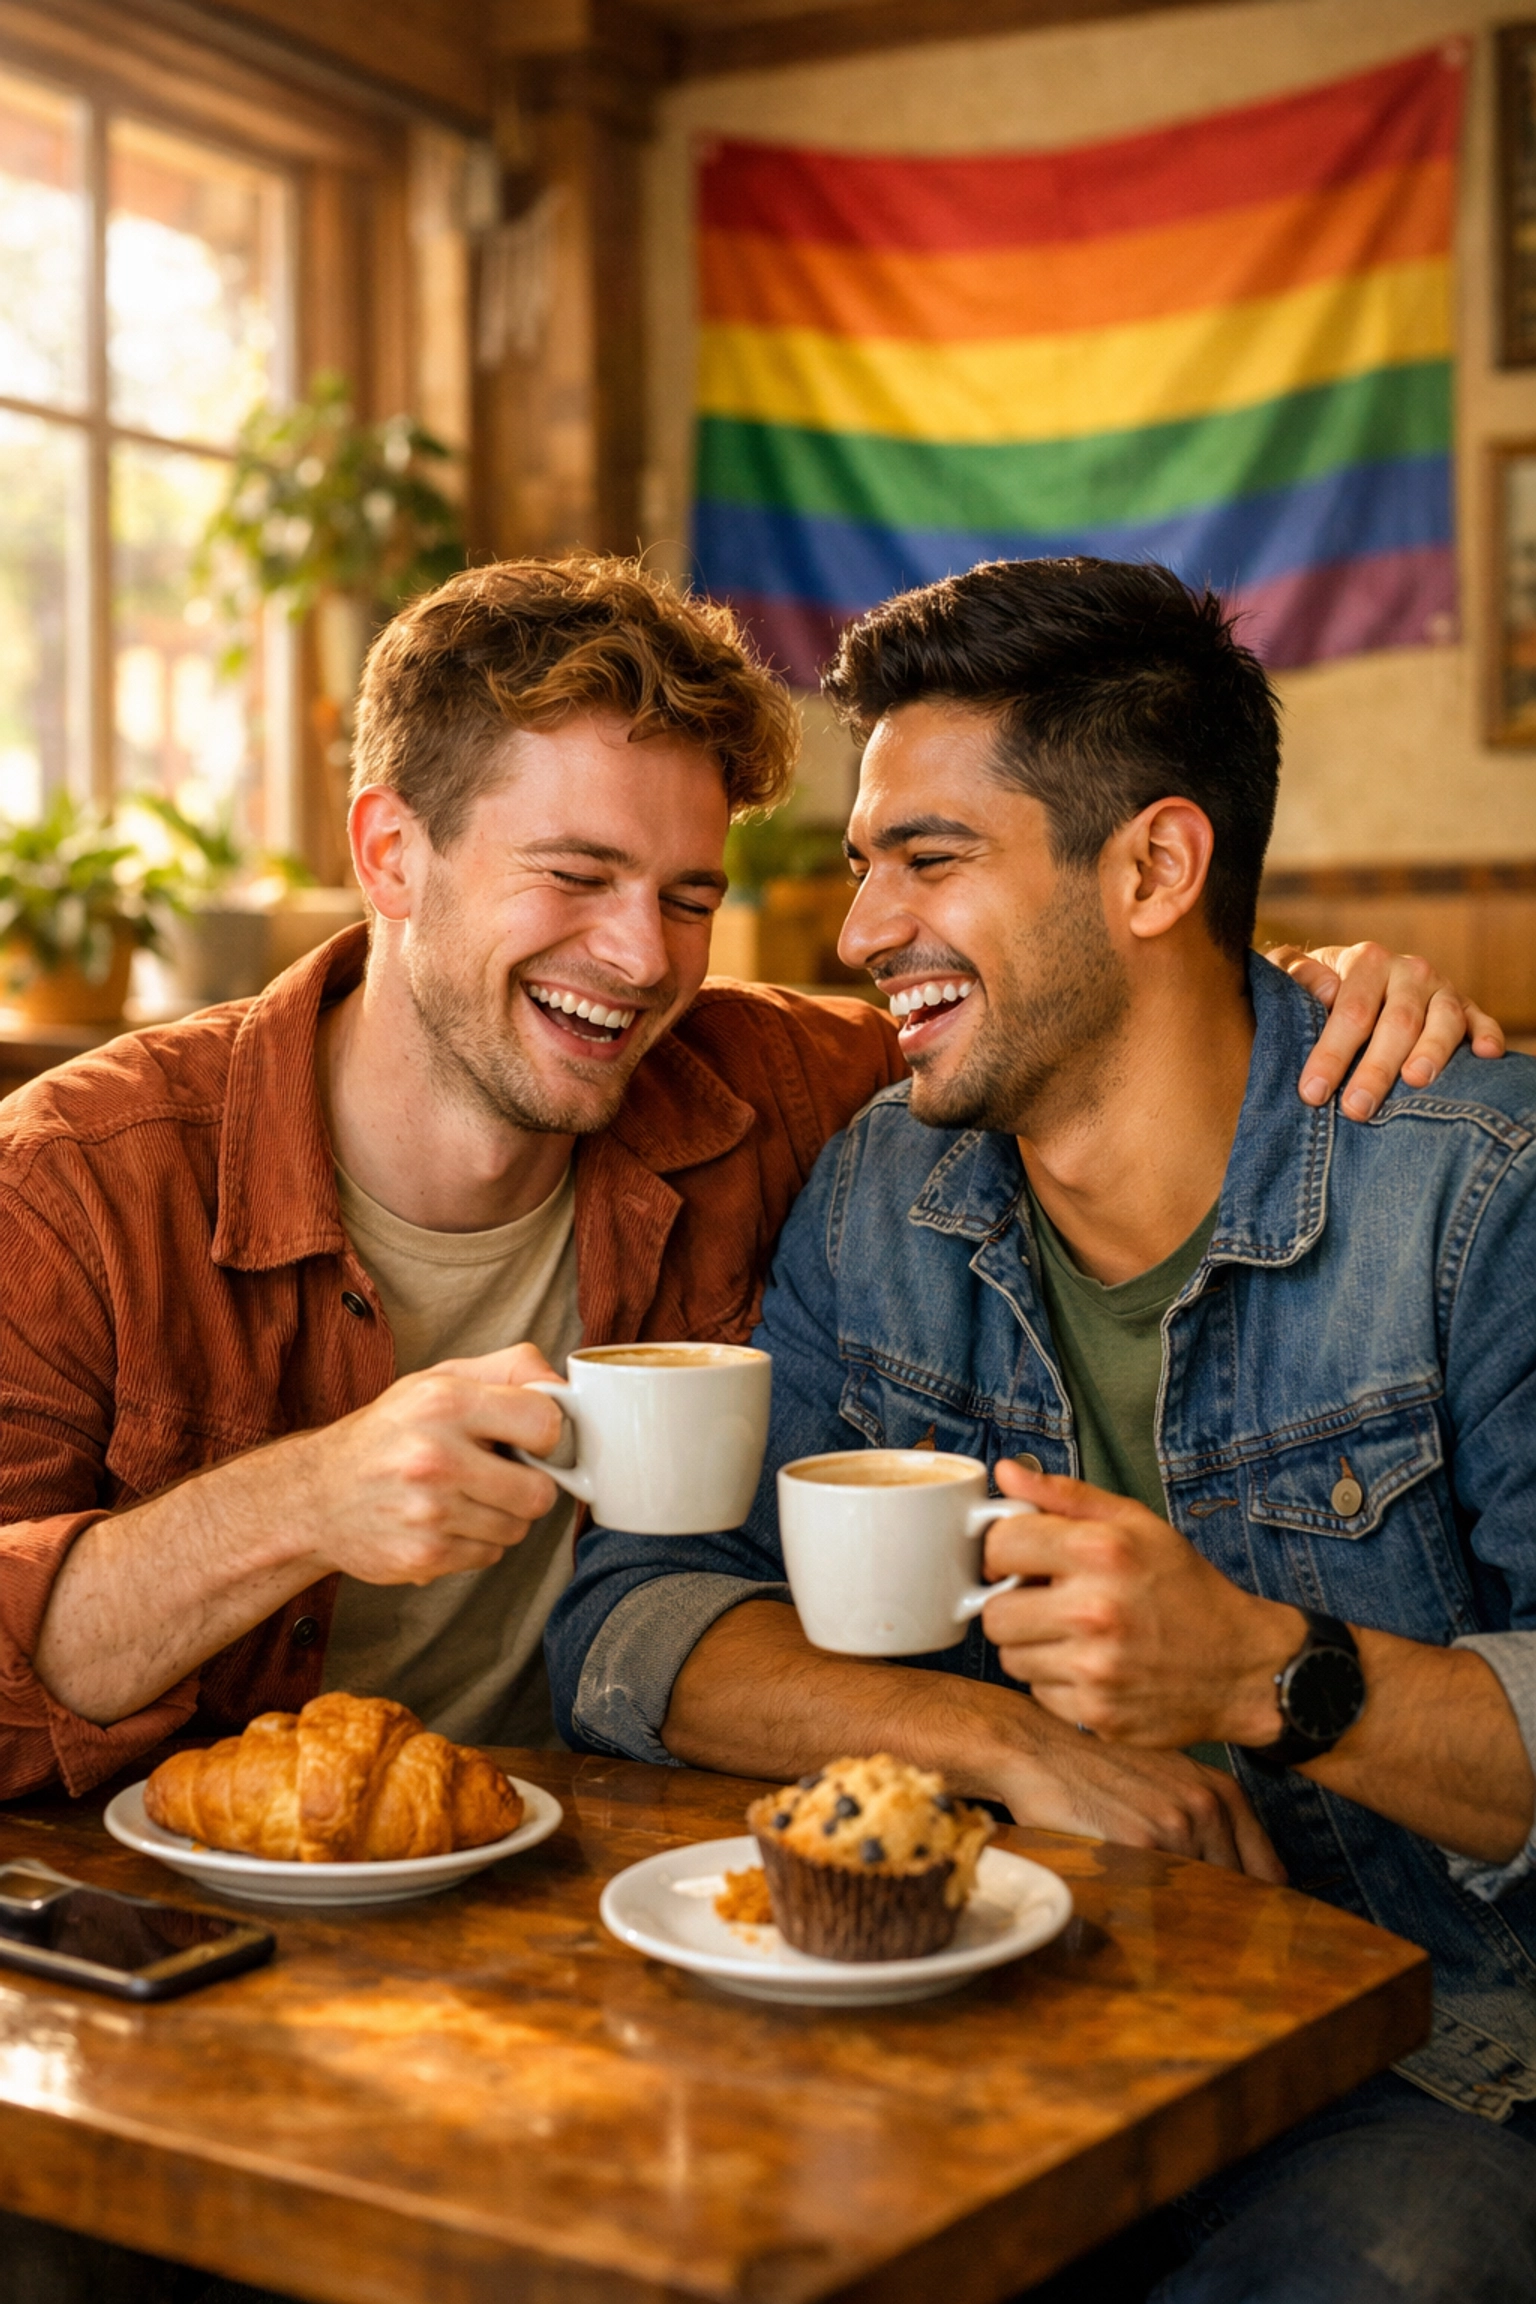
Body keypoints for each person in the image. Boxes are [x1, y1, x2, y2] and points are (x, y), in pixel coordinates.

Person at [0, 554, 1486, 1826]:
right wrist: (304, 1501)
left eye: (690, 897)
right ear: (393, 853)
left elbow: (1091, 1026)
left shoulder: (778, 1097)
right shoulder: (83, 1184)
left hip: (612, 1904)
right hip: (201, 1937)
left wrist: (1308, 994)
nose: (643, 959)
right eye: (575, 877)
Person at [545, 558, 1536, 2302]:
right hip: (1023, 2002)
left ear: (1156, 867)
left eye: (930, 861)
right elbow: (637, 1623)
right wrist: (1014, 1749)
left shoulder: (1478, 1196)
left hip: (1432, 2054)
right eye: (865, 867)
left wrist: (1259, 1678)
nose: (858, 935)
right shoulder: (885, 1191)